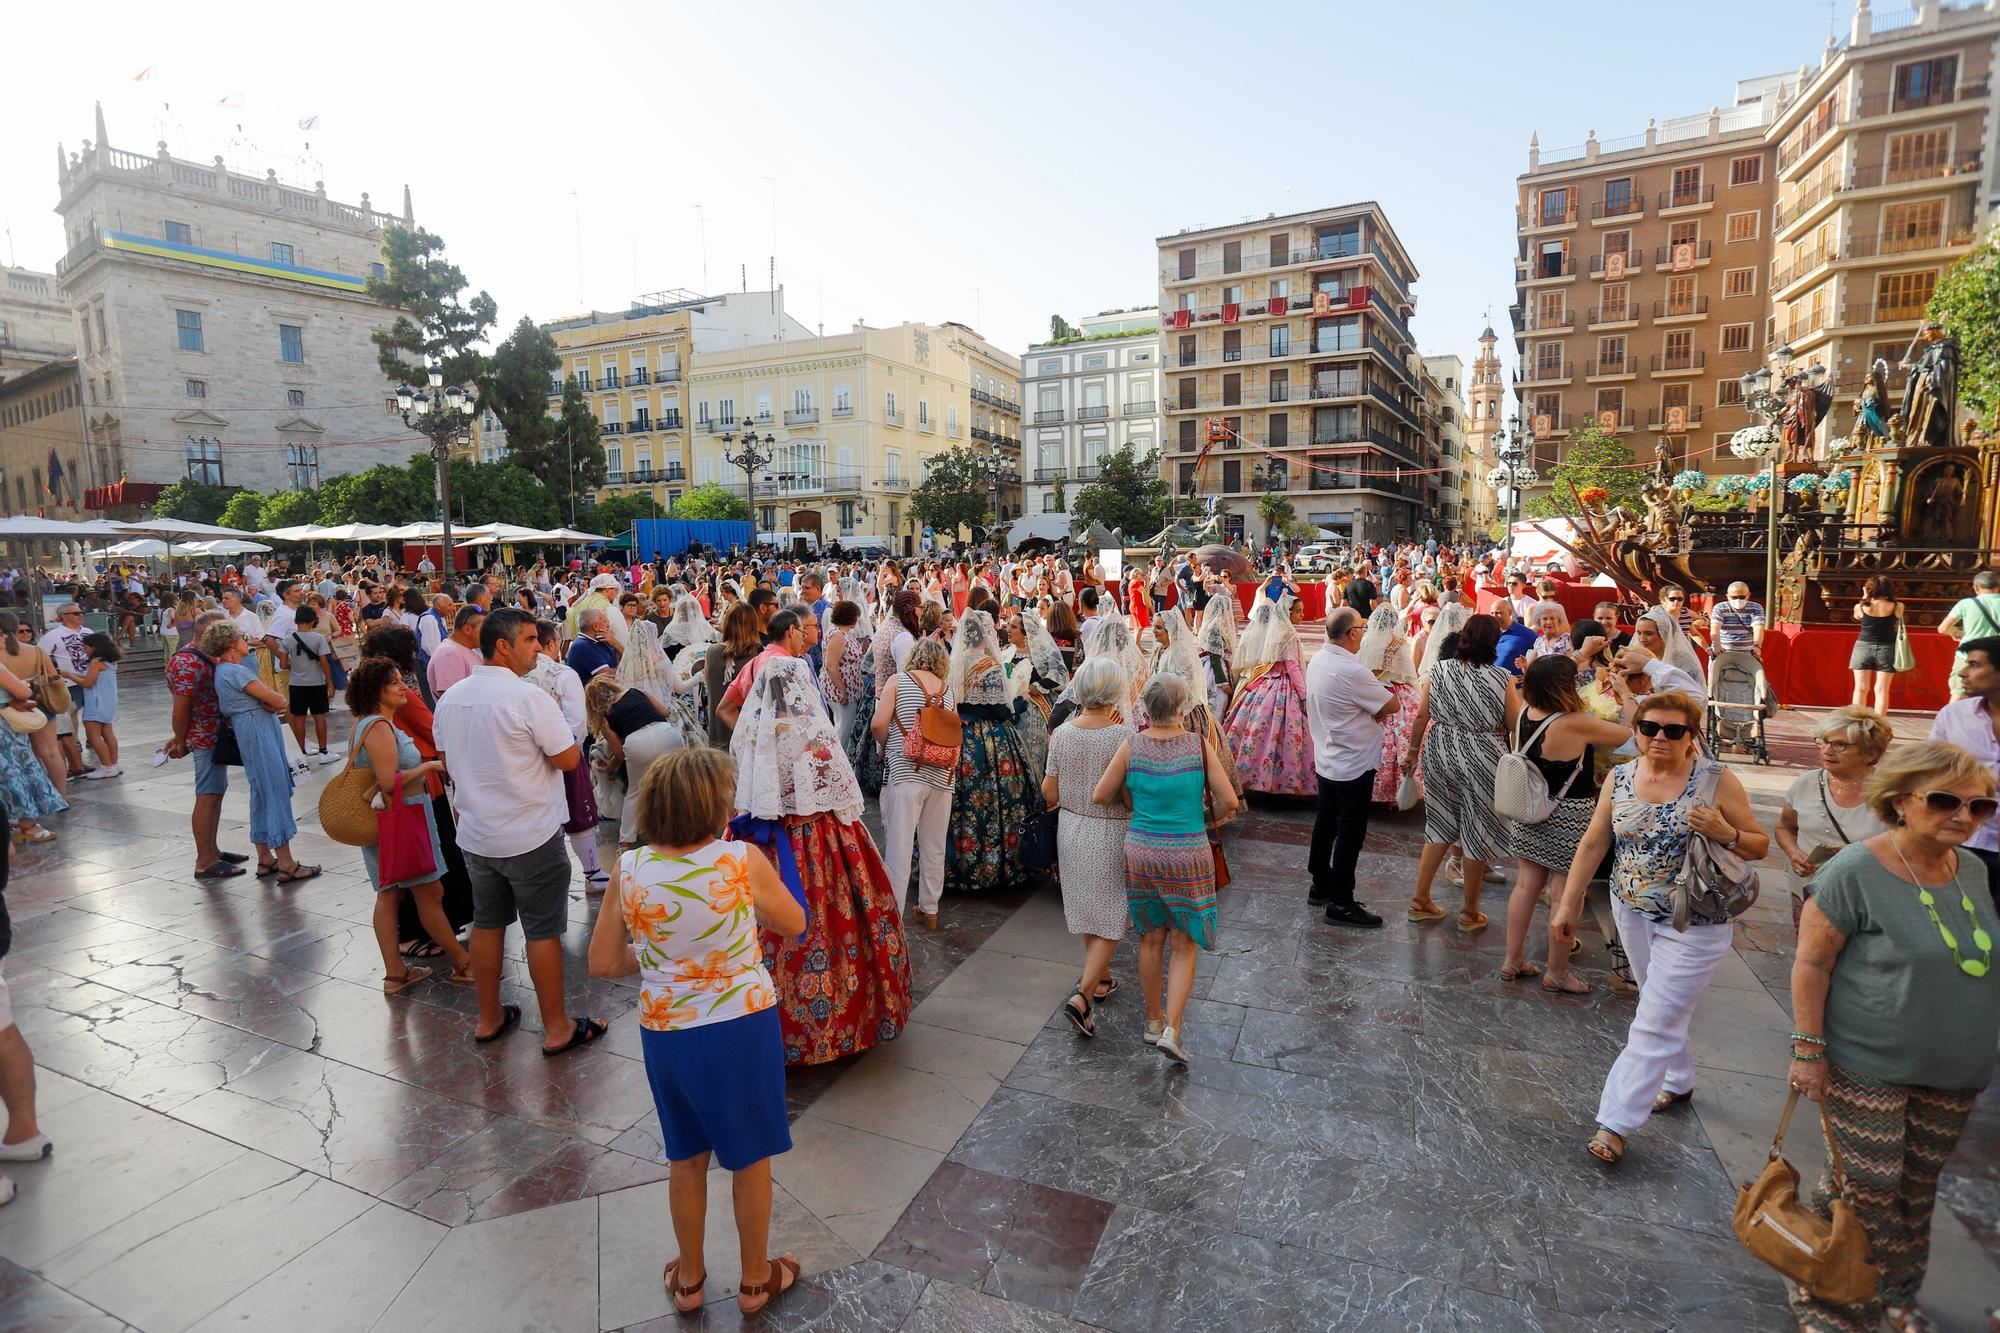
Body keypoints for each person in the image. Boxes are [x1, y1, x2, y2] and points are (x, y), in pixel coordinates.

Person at [1786, 741, 1998, 1333]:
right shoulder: (1854, 870)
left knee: (1915, 1189)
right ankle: (1827, 1300)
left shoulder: (1974, 870)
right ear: (1902, 801)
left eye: (1981, 807)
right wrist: (1808, 1050)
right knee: (1865, 1188)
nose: (1964, 816)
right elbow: (1811, 964)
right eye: (1946, 801)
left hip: (1955, 1066)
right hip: (1866, 1061)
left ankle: (1896, 1296)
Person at [586, 748, 804, 1316]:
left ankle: (689, 1281)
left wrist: (663, 954)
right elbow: (794, 923)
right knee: (751, 1157)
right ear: (711, 806)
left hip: (670, 1031)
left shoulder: (630, 868)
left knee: (686, 1158)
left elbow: (603, 962)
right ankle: (756, 1281)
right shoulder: (740, 861)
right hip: (742, 1024)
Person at [1553, 690, 1769, 1166]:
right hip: (1630, 909)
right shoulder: (1622, 775)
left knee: (1652, 1020)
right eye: (1649, 728)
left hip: (1695, 919)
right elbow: (1594, 842)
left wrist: (1725, 832)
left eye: (1674, 731)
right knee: (1659, 1002)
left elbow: (1759, 845)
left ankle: (1615, 1122)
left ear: (1692, 737)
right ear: (1637, 730)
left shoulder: (1715, 781)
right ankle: (1678, 1080)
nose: (1659, 738)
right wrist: (1568, 905)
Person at [433, 608, 605, 1054]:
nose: (539, 648)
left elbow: (449, 762)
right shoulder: (527, 698)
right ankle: (556, 1027)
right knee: (542, 930)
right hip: (529, 832)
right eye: (530, 640)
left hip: (477, 834)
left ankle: (489, 1017)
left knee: (488, 925)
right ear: (503, 646)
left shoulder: (452, 698)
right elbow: (568, 759)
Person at [730, 655, 911, 1065]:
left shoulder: (750, 739)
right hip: (822, 844)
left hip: (764, 851)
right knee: (837, 923)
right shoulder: (817, 738)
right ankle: (841, 1024)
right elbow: (844, 797)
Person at [1090, 675, 1238, 1064]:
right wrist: (1204, 818)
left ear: (1147, 708)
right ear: (1182, 708)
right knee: (1184, 942)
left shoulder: (1132, 746)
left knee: (1150, 938)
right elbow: (1229, 802)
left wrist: (1133, 803)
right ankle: (1173, 1028)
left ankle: (1152, 1020)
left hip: (1141, 849)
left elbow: (1101, 795)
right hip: (1189, 850)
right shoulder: (1198, 747)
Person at [1498, 656, 1633, 991]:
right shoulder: (1576, 722)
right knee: (1565, 896)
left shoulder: (1526, 714)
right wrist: (1626, 694)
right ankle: (1557, 973)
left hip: (1530, 810)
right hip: (1569, 815)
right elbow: (1631, 734)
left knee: (1526, 887)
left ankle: (1512, 961)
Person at [343, 657, 474, 992]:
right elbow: (389, 781)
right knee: (429, 892)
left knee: (390, 894)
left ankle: (396, 972)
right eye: (396, 683)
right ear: (377, 690)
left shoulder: (371, 723)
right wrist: (430, 767)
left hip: (390, 821)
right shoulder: (378, 726)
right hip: (402, 819)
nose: (405, 687)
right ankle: (462, 961)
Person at [1405, 614, 1516, 930]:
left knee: (1438, 824)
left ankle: (1420, 899)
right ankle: (1469, 912)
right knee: (1477, 831)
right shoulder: (1502, 678)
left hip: (1439, 748)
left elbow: (1421, 716)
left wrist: (1412, 753)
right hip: (1483, 753)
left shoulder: (1437, 670)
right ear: (1494, 642)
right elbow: (1513, 723)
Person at [1043, 656, 1134, 1037]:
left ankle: (1101, 978)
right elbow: (1128, 798)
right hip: (1110, 830)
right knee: (1113, 913)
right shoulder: (1122, 736)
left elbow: (1049, 790)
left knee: (1086, 906)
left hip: (1071, 827)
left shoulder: (1062, 733)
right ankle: (1083, 995)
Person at [941, 611, 1047, 896]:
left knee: (961, 801)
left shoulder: (954, 662)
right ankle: (997, 865)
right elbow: (1002, 712)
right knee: (998, 798)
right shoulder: (990, 665)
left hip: (960, 738)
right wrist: (1021, 703)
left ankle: (956, 866)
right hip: (991, 740)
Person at [204, 621, 318, 883]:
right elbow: (279, 700)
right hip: (257, 730)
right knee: (273, 788)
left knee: (262, 791)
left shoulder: (225, 671)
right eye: (243, 637)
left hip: (252, 728)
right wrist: (269, 701)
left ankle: (266, 858)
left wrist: (267, 702)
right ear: (231, 644)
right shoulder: (235, 671)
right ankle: (287, 863)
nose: (248, 641)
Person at [1305, 607, 1395, 928]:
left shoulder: (1318, 659)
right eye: (1362, 626)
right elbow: (1391, 705)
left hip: (1329, 756)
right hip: (1353, 761)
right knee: (1349, 834)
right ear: (1352, 633)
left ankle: (1320, 883)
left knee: (1325, 823)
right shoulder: (1351, 670)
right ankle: (1341, 902)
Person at [1774, 707, 1893, 930]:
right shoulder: (1806, 784)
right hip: (1810, 889)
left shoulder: (1890, 793)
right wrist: (1793, 852)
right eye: (1823, 741)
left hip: (1864, 896)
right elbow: (1785, 827)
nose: (1827, 750)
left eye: (1840, 745)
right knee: (1810, 958)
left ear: (1871, 754)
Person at [873, 637, 956, 929]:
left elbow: (878, 724)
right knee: (934, 845)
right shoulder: (947, 691)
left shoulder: (898, 681)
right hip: (941, 774)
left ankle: (894, 913)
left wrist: (889, 746)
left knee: (900, 844)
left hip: (906, 771)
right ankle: (929, 909)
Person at [525, 617, 605, 892]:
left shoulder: (515, 675)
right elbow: (576, 724)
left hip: (526, 760)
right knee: (579, 813)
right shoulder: (563, 674)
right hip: (563, 753)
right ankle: (592, 871)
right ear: (551, 643)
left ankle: (541, 875)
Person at [1928, 636, 2000, 911]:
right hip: (1960, 842)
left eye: (1974, 665)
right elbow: (1930, 770)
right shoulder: (1953, 715)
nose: (1962, 672)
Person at [1220, 594, 1315, 797]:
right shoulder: (1287, 635)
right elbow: (1293, 667)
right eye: (1298, 611)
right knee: (1287, 735)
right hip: (1284, 685)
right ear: (1287, 613)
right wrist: (1304, 695)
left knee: (1259, 733)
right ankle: (1284, 782)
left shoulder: (1278, 631)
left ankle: (1256, 777)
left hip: (1267, 685)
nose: (1302, 615)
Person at [1355, 603, 1418, 806]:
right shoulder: (1399, 643)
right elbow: (1408, 675)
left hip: (1371, 693)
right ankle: (1394, 794)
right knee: (1399, 741)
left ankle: (1367, 788)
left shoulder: (1365, 641)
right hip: (1396, 696)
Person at [0, 614, 64, 799]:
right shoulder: (35, 651)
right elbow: (53, 677)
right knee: (51, 752)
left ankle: (27, 802)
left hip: (6, 709)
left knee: (17, 759)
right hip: (38, 704)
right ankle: (60, 797)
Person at [36, 604, 88, 779]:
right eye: (76, 613)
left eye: (81, 612)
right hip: (66, 683)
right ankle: (73, 761)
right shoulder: (53, 636)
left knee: (88, 719)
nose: (80, 615)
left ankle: (78, 760)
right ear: (64, 616)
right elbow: (42, 657)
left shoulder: (87, 631)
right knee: (68, 721)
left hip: (89, 680)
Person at [281, 606, 336, 765]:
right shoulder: (318, 639)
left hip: (297, 684)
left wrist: (295, 665)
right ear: (314, 621)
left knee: (299, 719)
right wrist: (330, 683)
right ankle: (324, 751)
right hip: (317, 683)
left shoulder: (288, 640)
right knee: (320, 717)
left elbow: (283, 664)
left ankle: (302, 753)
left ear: (296, 621)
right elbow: (324, 662)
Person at [704, 604, 763, 749]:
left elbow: (708, 684)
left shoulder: (712, 651)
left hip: (717, 735)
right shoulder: (757, 654)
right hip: (745, 737)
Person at [1937, 569, 2000, 700]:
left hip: (1967, 656)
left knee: (1958, 694)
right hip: (1996, 657)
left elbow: (1943, 628)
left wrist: (1958, 633)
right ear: (1998, 587)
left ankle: (1952, 721)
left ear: (1976, 587)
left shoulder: (1966, 604)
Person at [68, 633, 121, 780]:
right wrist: (71, 674)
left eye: (85, 647)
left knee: (93, 736)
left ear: (94, 647)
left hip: (96, 704)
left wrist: (70, 677)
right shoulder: (110, 662)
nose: (84, 650)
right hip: (108, 703)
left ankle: (107, 767)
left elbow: (88, 683)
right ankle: (113, 764)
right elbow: (92, 677)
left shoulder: (96, 662)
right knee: (108, 734)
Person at [1847, 576, 1902, 715]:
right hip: (1887, 647)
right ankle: (1879, 723)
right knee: (1882, 689)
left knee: (1860, 687)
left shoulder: (1860, 607)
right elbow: (1899, 617)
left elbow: (1858, 616)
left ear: (1869, 589)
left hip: (1863, 646)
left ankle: (1857, 720)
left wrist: (1865, 596)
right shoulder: (1897, 606)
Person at [426, 604, 486, 699]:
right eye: (484, 628)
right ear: (467, 629)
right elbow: (453, 699)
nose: (488, 633)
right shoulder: (449, 655)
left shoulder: (468, 649)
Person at [1195, 594, 1237, 719]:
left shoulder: (1217, 625)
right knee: (1216, 701)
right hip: (1214, 670)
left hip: (1215, 664)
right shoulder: (1215, 627)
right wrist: (1222, 682)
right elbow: (1214, 656)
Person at [1490, 599, 1535, 678]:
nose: (1494, 616)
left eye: (1499, 613)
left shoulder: (1524, 633)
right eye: (1492, 613)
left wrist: (1529, 676)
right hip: (1490, 685)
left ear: (1510, 612)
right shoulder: (1488, 632)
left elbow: (1543, 653)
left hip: (1515, 687)